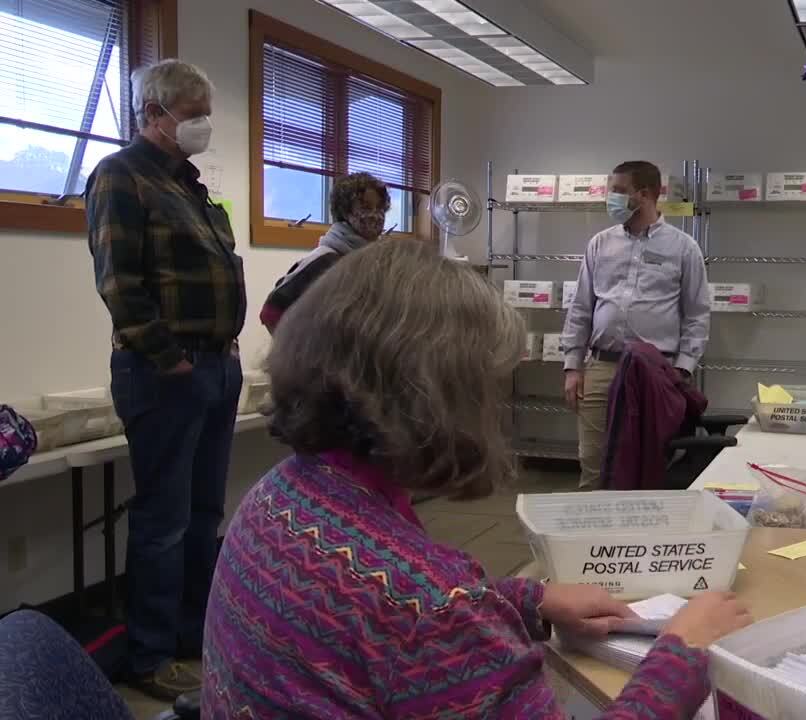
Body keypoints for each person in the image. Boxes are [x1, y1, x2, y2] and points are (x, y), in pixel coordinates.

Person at [202, 239, 752, 719]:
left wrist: (525, 599)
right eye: (487, 386)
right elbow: (418, 615)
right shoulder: (432, 605)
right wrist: (683, 652)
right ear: (436, 398)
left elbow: (380, 626)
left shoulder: (276, 496)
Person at [85, 59, 245, 700]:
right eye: (193, 112)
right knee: (164, 519)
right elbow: (118, 281)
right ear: (153, 113)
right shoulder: (120, 178)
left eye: (207, 112)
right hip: (166, 373)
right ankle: (150, 656)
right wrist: (165, 355)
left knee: (205, 512)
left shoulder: (194, 187)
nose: (203, 124)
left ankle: (191, 637)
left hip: (215, 367)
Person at [562, 161, 711, 489]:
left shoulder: (684, 248)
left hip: (655, 373)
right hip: (601, 367)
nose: (609, 198)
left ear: (644, 195)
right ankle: (593, 540)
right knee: (594, 464)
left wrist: (681, 371)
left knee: (647, 463)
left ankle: (636, 539)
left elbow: (697, 315)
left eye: (617, 191)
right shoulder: (600, 244)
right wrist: (573, 367)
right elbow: (581, 307)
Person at [259, 172, 391, 333]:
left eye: (380, 208)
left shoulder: (374, 261)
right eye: (366, 207)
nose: (376, 216)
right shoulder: (323, 260)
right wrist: (299, 354)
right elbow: (271, 313)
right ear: (345, 212)